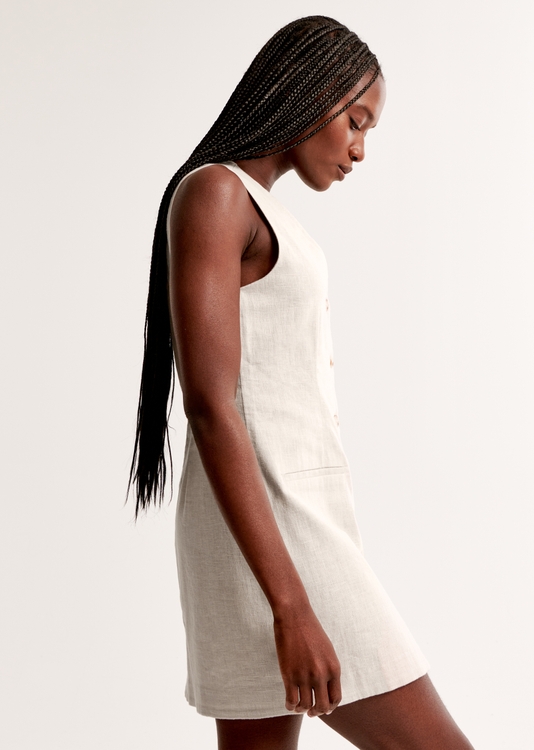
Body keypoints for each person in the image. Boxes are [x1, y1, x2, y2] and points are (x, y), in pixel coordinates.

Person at [128, 15, 475, 750]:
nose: (360, 149)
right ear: (313, 95)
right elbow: (210, 405)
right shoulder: (216, 194)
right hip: (277, 538)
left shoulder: (256, 208)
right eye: (357, 121)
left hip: (289, 525)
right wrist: (291, 606)